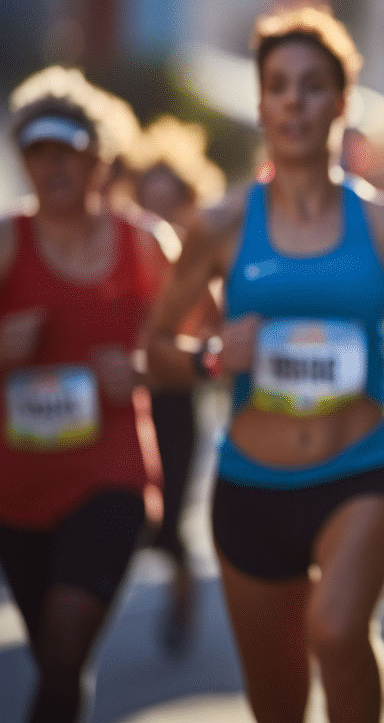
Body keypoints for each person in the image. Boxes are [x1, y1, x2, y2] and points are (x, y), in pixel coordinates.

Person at [145, 4, 384, 723]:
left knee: (338, 629)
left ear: (342, 102)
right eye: (280, 85)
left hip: (363, 469)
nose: (294, 100)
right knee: (277, 703)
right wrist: (211, 359)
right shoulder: (223, 224)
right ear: (261, 102)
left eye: (313, 84)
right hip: (250, 487)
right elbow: (156, 349)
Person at [0, 67, 171, 723]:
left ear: (99, 158)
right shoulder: (8, 239)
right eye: (37, 152)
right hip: (17, 488)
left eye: (66, 150)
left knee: (67, 640)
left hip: (112, 476)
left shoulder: (145, 244)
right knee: (53, 658)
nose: (51, 165)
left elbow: (201, 346)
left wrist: (145, 367)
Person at [129, 116, 227, 653]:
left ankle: (182, 595)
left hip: (177, 397)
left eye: (170, 201)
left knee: (170, 519)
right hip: (126, 397)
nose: (159, 213)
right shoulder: (121, 246)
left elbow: (215, 324)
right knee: (130, 514)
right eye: (150, 201)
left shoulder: (195, 253)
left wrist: (189, 351)